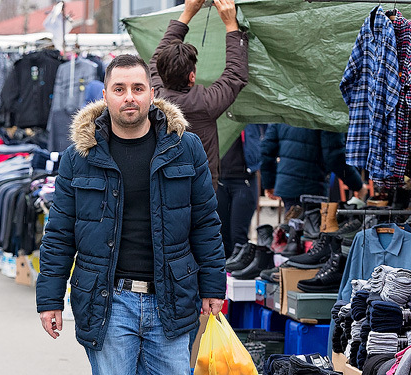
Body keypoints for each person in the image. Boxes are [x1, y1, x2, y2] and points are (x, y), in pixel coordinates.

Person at [35, 55, 225, 375]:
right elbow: (58, 233)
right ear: (105, 94)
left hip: (171, 297)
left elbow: (205, 221)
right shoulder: (82, 153)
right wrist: (49, 298)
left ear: (152, 94)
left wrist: (213, 287)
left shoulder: (184, 149)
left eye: (138, 88)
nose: (129, 98)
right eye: (119, 89)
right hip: (107, 298)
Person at [150, 0, 249, 185]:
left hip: (162, 187)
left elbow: (234, 75)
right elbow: (236, 73)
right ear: (192, 76)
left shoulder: (154, 98)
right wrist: (230, 23)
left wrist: (187, 13)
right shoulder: (206, 103)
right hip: (200, 193)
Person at [260, 124, 367, 211]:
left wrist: (269, 183)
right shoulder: (327, 111)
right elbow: (335, 157)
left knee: (294, 229)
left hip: (288, 187)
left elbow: (266, 151)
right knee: (310, 231)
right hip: (313, 186)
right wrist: (357, 185)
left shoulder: (285, 106)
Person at [218, 124, 266, 254]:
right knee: (222, 234)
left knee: (238, 235)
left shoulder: (248, 118)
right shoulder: (219, 116)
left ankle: (239, 270)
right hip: (220, 180)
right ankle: (225, 271)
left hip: (244, 180)